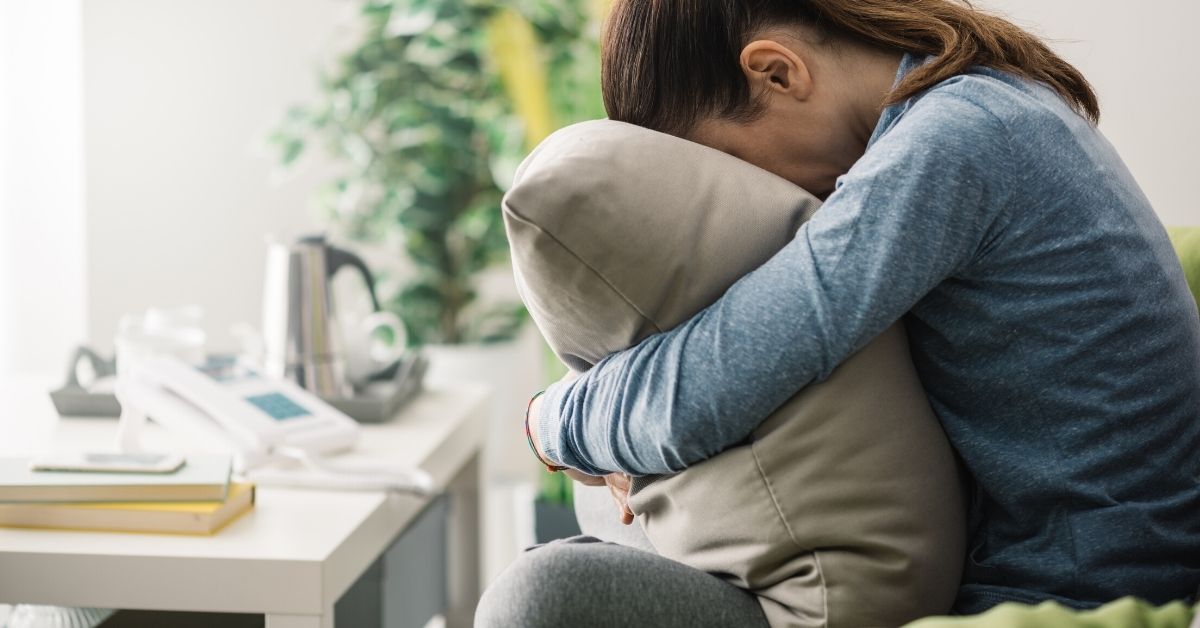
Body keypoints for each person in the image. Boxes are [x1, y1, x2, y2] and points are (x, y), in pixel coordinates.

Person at [476, 0, 1200, 626]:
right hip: (1062, 570)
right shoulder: (998, 104)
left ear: (776, 73)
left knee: (544, 596)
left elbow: (706, 388)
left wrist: (550, 423)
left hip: (1069, 599)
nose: (756, 193)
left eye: (733, 164)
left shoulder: (955, 142)